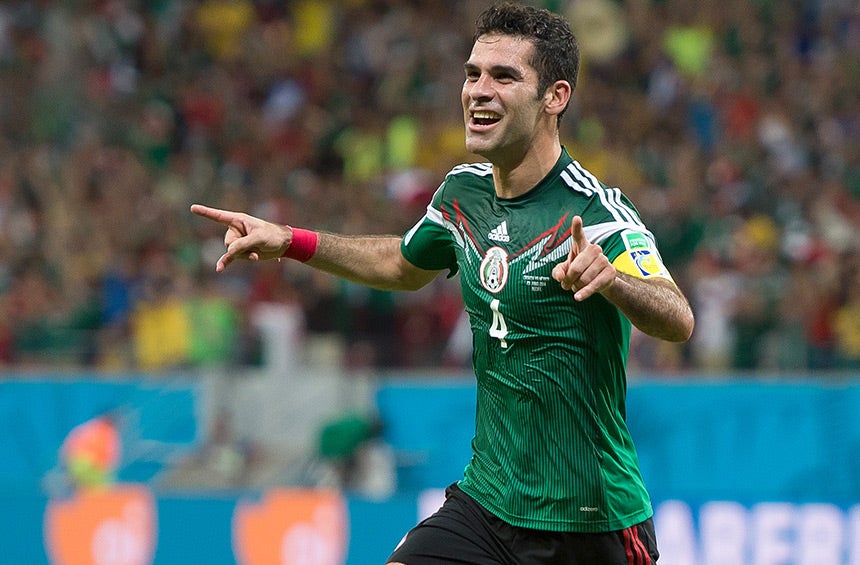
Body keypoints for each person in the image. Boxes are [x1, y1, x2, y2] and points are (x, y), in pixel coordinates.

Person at [191, 2, 694, 563]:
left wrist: (614, 282)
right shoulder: (463, 195)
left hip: (590, 524)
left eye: (504, 77)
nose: (479, 90)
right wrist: (291, 240)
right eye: (473, 73)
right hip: (487, 505)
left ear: (555, 97)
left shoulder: (596, 213)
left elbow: (677, 318)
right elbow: (403, 265)